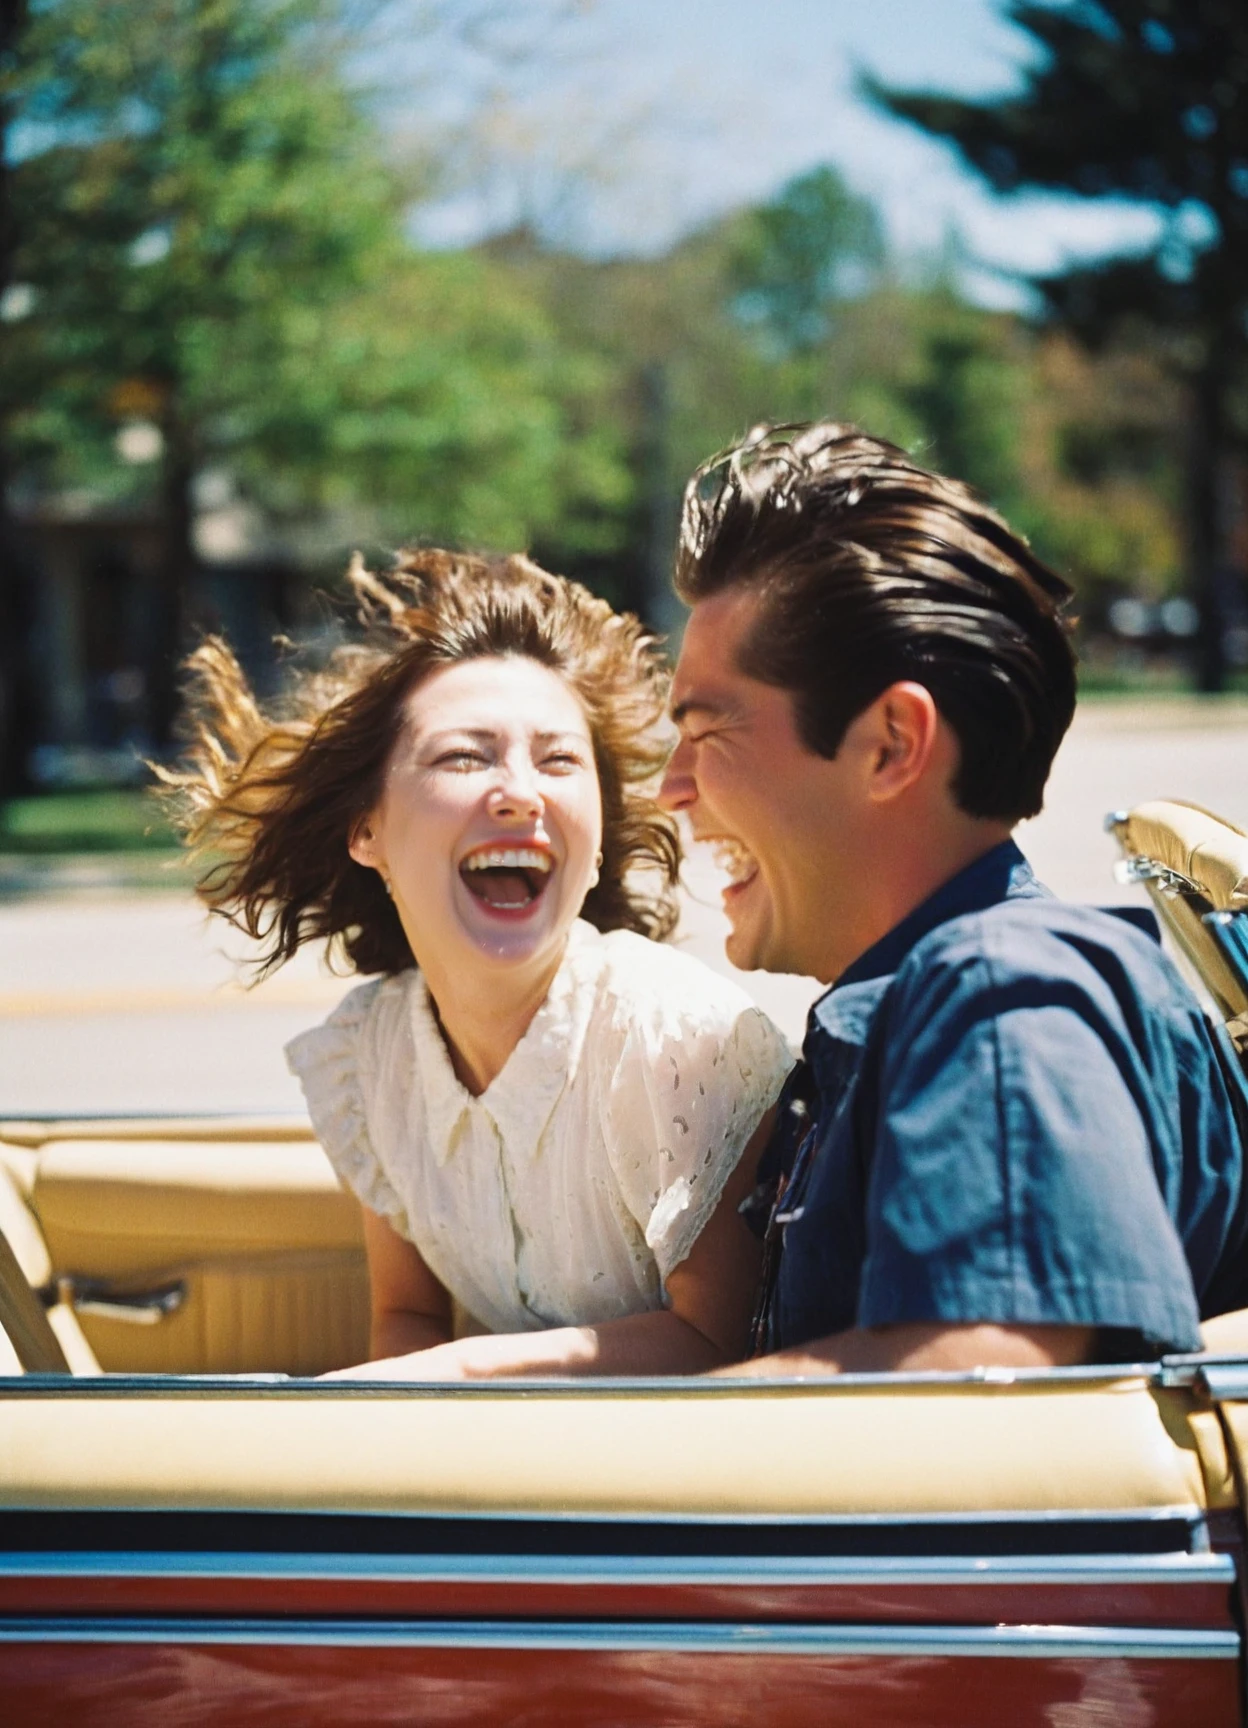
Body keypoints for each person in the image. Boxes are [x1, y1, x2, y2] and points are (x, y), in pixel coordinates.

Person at [657, 421, 1248, 1376]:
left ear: (890, 743)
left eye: (705, 731)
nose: (670, 788)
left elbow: (986, 1387)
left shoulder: (997, 993)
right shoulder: (927, 999)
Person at [164, 549, 792, 1379]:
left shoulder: (669, 1035)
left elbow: (721, 1348)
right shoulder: (369, 1061)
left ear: (598, 838)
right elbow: (408, 1315)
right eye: (466, 756)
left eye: (559, 760)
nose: (520, 792)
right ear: (367, 833)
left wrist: (451, 1376)